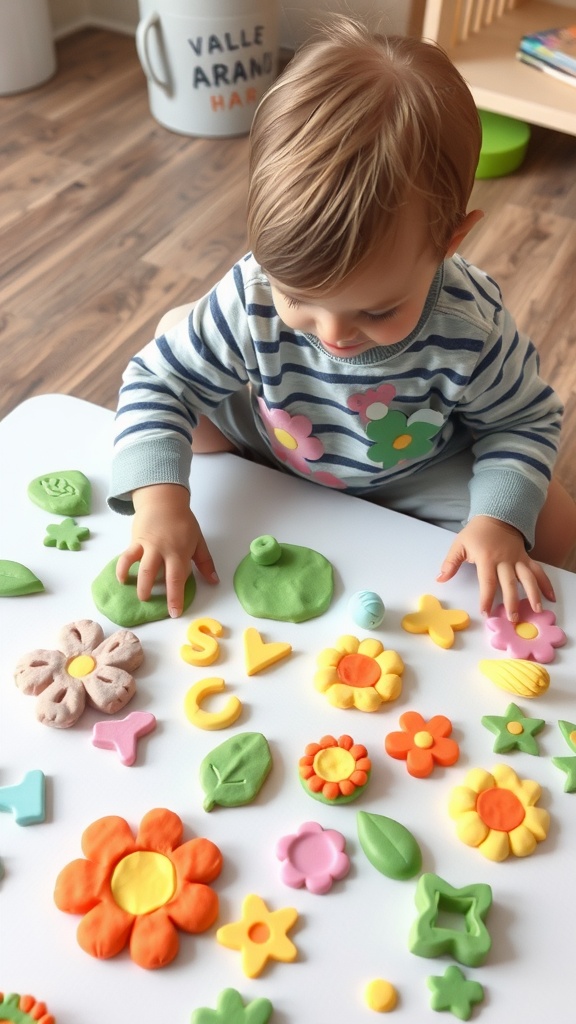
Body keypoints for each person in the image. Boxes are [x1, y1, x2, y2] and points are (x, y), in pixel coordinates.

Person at [108, 16, 576, 622]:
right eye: (298, 298)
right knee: (174, 350)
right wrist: (159, 503)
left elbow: (524, 421)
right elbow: (155, 381)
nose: (332, 335)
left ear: (449, 241)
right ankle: (228, 433)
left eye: (377, 310)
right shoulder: (251, 291)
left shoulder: (471, 328)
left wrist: (495, 522)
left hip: (413, 466)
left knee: (556, 525)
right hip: (275, 434)